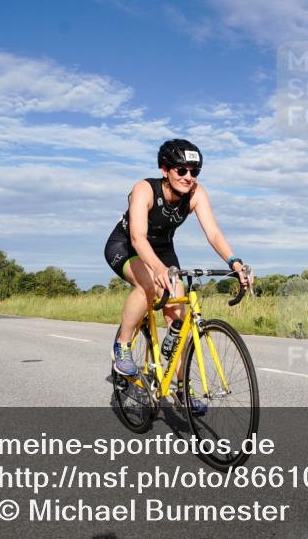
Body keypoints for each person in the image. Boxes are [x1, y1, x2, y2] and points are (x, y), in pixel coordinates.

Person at [103, 139, 249, 392]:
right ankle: (122, 348)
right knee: (148, 285)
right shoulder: (144, 189)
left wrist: (234, 261)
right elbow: (138, 237)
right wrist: (158, 269)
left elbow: (213, 233)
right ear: (165, 170)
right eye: (181, 170)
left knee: (178, 322)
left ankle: (183, 388)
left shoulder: (196, 193)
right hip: (126, 246)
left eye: (194, 172)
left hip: (163, 249)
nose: (188, 177)